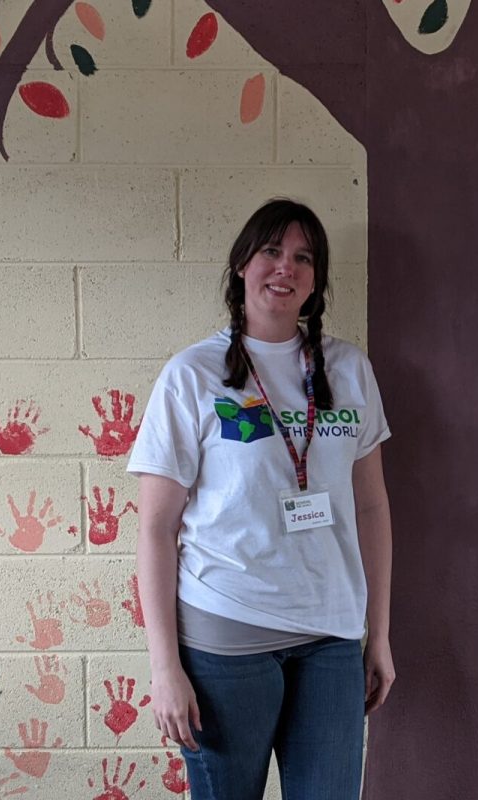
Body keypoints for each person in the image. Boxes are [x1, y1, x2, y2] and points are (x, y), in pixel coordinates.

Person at [127, 197, 396, 800]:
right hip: (225, 638)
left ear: (317, 280)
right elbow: (154, 529)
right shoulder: (192, 375)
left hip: (330, 639)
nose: (286, 268)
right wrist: (165, 669)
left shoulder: (348, 370)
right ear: (243, 264)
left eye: (303, 257)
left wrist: (376, 636)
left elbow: (373, 508)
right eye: (272, 251)